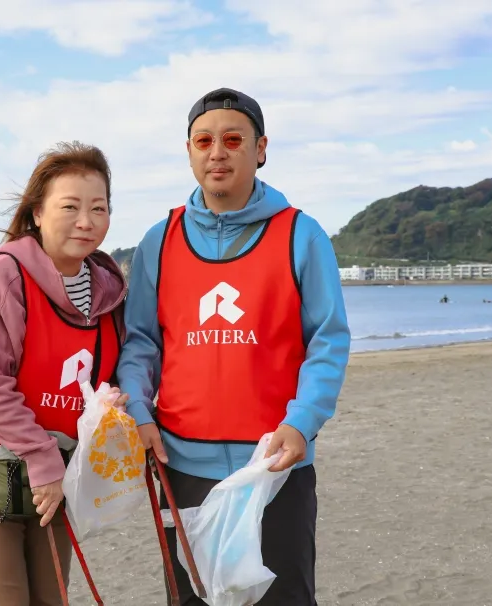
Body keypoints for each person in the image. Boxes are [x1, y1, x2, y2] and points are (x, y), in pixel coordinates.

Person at [117, 88, 351, 605]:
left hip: (274, 464)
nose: (217, 152)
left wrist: (302, 421)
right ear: (189, 152)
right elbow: (140, 343)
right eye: (204, 141)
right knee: (192, 597)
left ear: (260, 148)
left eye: (232, 139)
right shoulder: (160, 240)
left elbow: (327, 341)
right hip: (182, 464)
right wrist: (139, 411)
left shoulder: (301, 235)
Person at [0, 141, 128, 606]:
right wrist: (40, 457)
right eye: (70, 207)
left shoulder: (110, 293)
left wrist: (115, 401)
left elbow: (106, 374)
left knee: (52, 598)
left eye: (98, 208)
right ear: (37, 212)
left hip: (56, 471)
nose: (86, 221)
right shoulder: (5, 276)